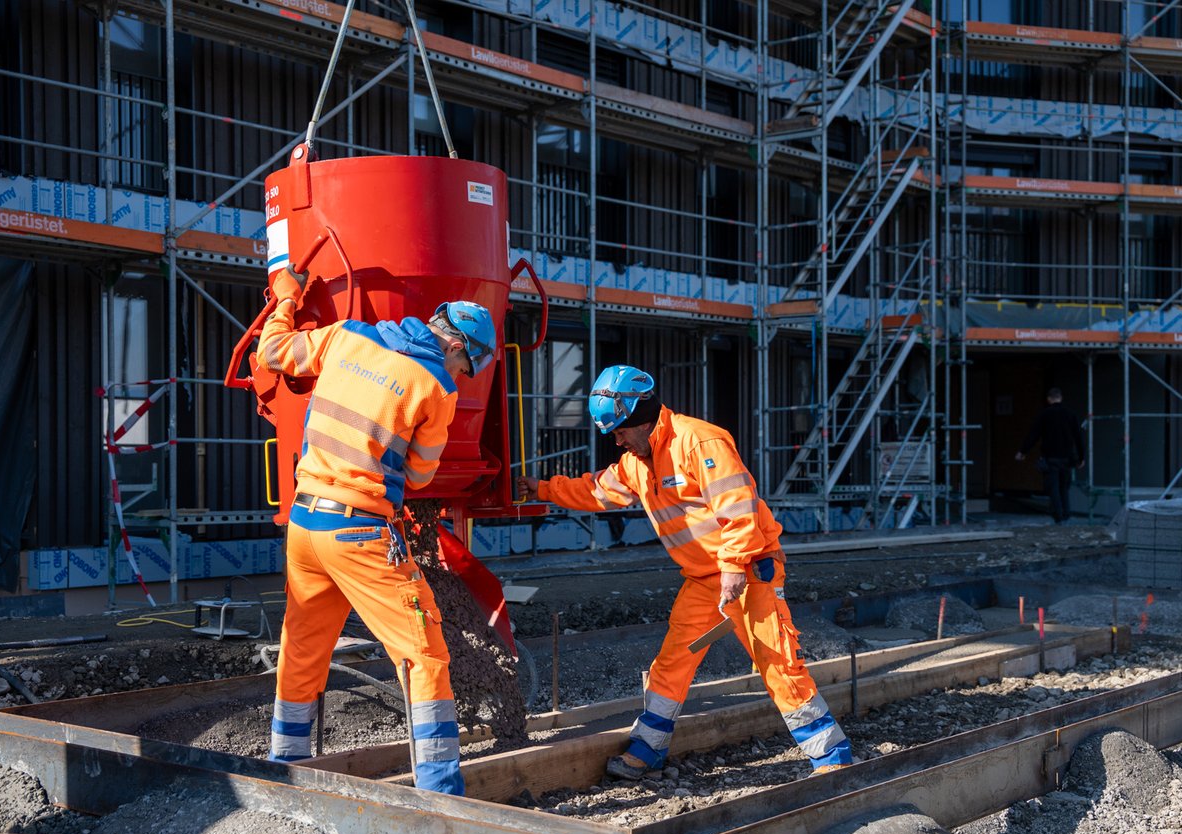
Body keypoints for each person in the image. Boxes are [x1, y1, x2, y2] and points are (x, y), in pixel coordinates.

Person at [517, 365, 853, 781]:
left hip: (749, 571)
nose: (617, 440)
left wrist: (733, 568)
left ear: (643, 419)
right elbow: (594, 490)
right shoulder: (636, 463)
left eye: (620, 431)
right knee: (673, 661)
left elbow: (738, 509)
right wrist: (543, 489)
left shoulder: (699, 441)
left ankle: (831, 757)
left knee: (777, 662)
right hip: (703, 579)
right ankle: (649, 746)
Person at [255, 263, 497, 796]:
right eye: (466, 368)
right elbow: (419, 473)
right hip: (358, 533)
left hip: (304, 525)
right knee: (424, 653)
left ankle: (283, 771)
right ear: (459, 352)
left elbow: (272, 354)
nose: (460, 377)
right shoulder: (435, 388)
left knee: (302, 649)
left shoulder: (348, 336)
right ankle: (440, 791)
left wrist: (287, 298)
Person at [1014, 387, 1085, 524]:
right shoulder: (1070, 414)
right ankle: (1066, 514)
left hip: (1051, 457)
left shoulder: (1045, 415)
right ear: (1061, 398)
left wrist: (1023, 451)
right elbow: (1078, 437)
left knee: (1053, 488)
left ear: (1048, 399)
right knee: (1064, 487)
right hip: (1067, 458)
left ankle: (1058, 516)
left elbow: (1033, 435)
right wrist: (1082, 457)